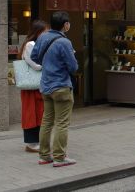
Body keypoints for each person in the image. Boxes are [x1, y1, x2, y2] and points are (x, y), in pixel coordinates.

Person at [31, 11, 79, 167]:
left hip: (45, 85)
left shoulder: (43, 36)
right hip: (61, 86)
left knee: (46, 122)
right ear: (65, 25)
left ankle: (44, 156)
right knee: (62, 123)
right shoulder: (65, 42)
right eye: (68, 23)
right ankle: (59, 157)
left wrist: (48, 62)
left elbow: (34, 57)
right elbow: (73, 67)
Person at [19, 20, 49, 153]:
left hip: (37, 84)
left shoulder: (37, 44)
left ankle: (36, 142)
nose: (46, 33)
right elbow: (35, 64)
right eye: (44, 31)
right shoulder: (30, 44)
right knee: (32, 112)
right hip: (31, 85)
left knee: (38, 112)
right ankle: (31, 144)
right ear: (37, 32)